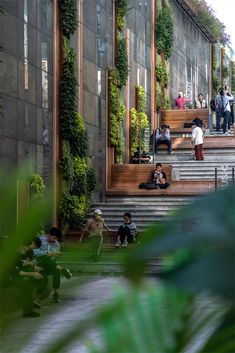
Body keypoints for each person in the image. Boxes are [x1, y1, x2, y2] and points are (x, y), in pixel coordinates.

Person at [33, 227, 72, 303]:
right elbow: (34, 252)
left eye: (56, 239)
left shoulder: (56, 244)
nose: (55, 240)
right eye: (54, 238)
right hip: (37, 263)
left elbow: (53, 259)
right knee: (45, 257)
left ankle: (56, 293)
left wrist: (56, 255)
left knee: (55, 269)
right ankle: (63, 269)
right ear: (49, 235)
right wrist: (48, 254)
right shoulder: (40, 240)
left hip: (49, 265)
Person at [12, 238, 48, 317]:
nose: (24, 251)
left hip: (16, 274)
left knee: (34, 283)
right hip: (9, 278)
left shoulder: (22, 253)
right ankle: (27, 310)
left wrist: (32, 266)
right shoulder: (12, 254)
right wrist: (32, 274)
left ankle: (30, 305)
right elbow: (16, 272)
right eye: (23, 248)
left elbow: (20, 264)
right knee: (28, 286)